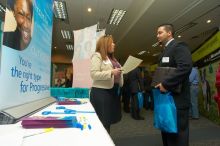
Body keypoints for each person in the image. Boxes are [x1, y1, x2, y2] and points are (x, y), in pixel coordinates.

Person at [155, 24, 192, 146]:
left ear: (169, 33)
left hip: (178, 100)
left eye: (160, 32)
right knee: (168, 134)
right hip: (167, 99)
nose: (157, 35)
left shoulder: (178, 46)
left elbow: (185, 67)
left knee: (178, 137)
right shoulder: (165, 50)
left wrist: (166, 84)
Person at [90, 35, 123, 133]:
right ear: (105, 44)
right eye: (111, 42)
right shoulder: (97, 55)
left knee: (108, 120)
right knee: (103, 122)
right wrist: (111, 72)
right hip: (101, 93)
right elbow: (94, 74)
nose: (114, 44)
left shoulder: (113, 59)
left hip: (113, 91)